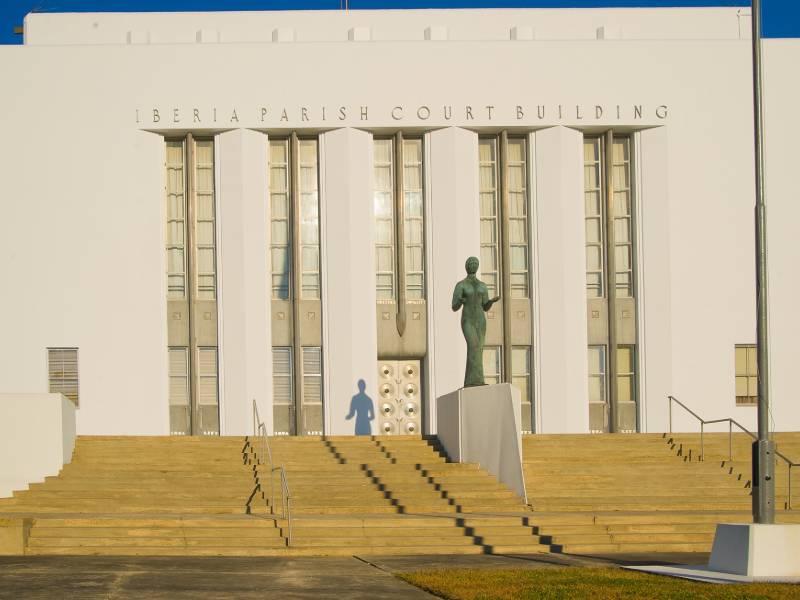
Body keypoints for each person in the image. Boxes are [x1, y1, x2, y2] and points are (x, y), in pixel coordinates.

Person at [451, 256, 500, 387]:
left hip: (480, 320)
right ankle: (472, 381)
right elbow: (454, 306)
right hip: (468, 320)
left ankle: (477, 380)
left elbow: (485, 306)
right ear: (466, 267)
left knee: (479, 348)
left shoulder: (482, 286)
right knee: (473, 346)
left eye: (475, 263)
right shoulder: (461, 285)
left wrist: (491, 301)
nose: (473, 265)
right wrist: (460, 300)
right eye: (470, 263)